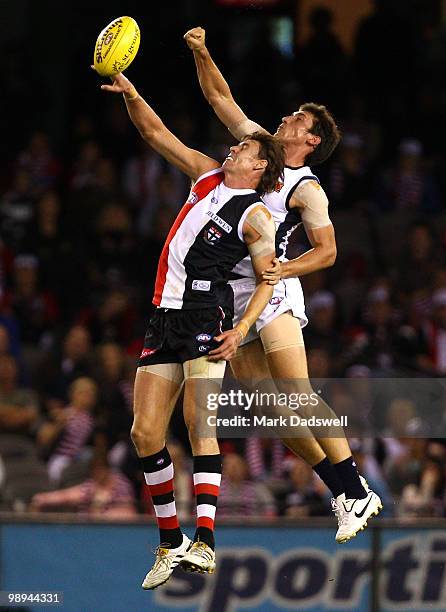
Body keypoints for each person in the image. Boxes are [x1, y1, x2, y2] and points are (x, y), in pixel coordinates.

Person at [184, 26, 382, 543]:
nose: (286, 117)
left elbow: (329, 252)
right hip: (234, 294)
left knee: (295, 392)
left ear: (311, 140)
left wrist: (283, 270)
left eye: (298, 118)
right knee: (271, 409)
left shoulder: (307, 187)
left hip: (275, 293)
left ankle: (357, 491)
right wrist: (203, 50)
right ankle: (344, 487)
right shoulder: (261, 149)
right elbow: (217, 96)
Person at [95, 69, 285, 588]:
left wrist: (242, 328)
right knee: (143, 433)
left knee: (200, 423)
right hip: (164, 316)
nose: (232, 148)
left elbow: (269, 279)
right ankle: (170, 541)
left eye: (243, 147)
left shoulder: (257, 215)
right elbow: (156, 133)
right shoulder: (205, 175)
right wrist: (134, 93)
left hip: (208, 319)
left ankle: (205, 540)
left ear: (261, 164)